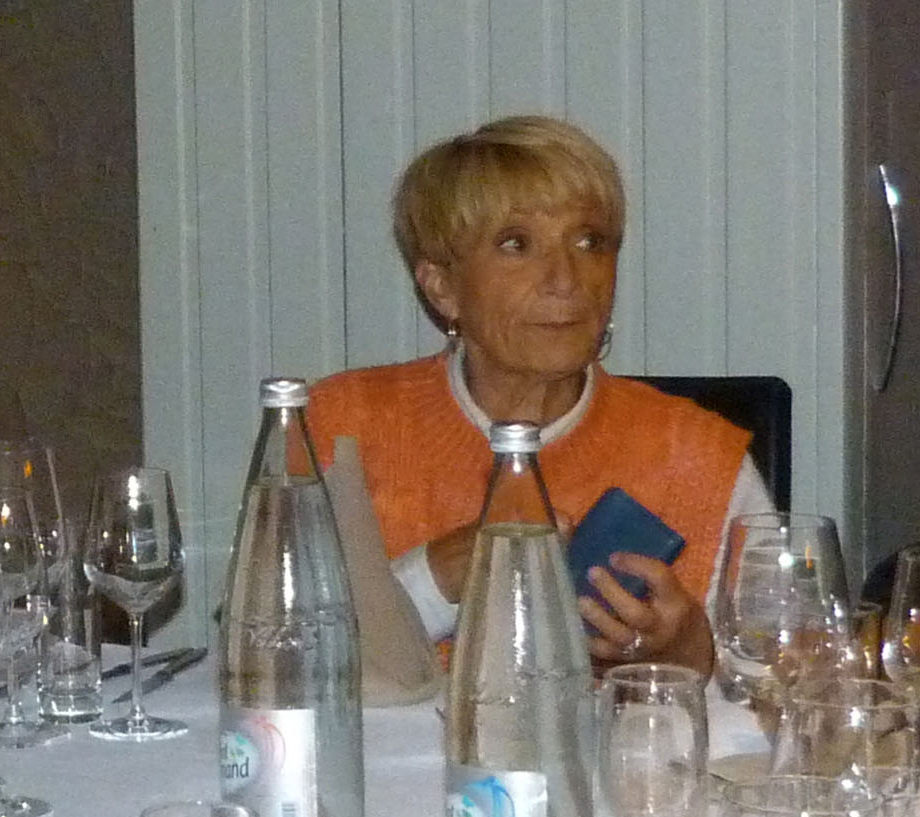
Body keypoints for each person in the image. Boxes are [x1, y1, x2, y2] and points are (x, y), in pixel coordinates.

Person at [305, 115, 757, 667]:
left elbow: (787, 675)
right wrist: (435, 579)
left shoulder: (698, 455)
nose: (566, 279)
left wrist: (689, 654)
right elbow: (270, 654)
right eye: (516, 245)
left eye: (589, 242)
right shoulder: (340, 426)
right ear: (442, 288)